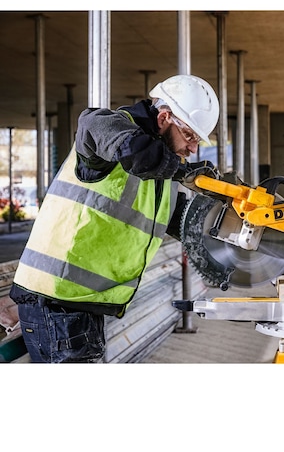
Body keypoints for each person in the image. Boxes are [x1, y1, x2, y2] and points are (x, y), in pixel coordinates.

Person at [9, 74, 220, 363]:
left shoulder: (162, 174)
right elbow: (94, 125)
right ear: (164, 117)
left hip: (82, 303)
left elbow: (185, 222)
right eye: (190, 136)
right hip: (57, 300)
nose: (193, 148)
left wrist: (231, 224)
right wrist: (184, 172)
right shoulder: (112, 130)